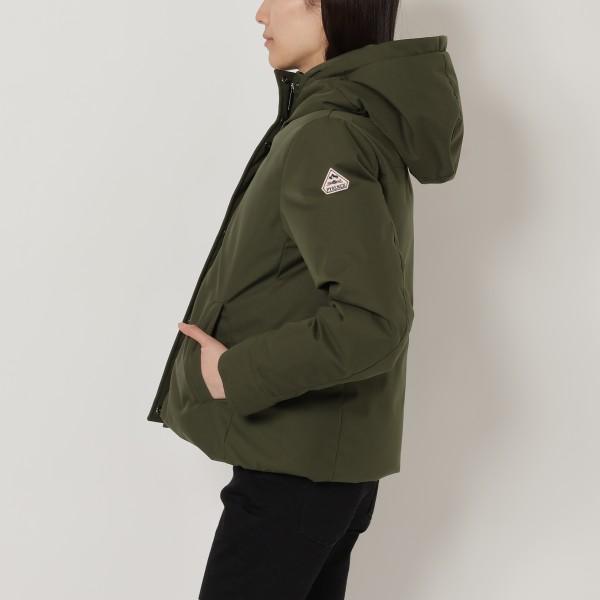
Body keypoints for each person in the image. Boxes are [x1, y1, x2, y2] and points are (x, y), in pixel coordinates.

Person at [146, 1, 464, 598]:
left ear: (327, 8)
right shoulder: (349, 120)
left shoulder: (329, 133)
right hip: (318, 466)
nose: (260, 13)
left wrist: (234, 372)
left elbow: (373, 322)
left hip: (296, 472)